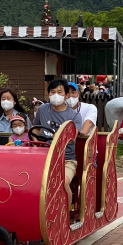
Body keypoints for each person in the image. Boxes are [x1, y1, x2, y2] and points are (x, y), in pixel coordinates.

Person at [33, 79, 83, 213]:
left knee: (63, 182)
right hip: (43, 157)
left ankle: (65, 214)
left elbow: (73, 136)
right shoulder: (43, 109)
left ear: (66, 95)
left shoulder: (74, 116)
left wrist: (60, 136)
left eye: (59, 92)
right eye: (52, 92)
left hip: (66, 159)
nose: (56, 95)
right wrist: (36, 142)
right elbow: (35, 129)